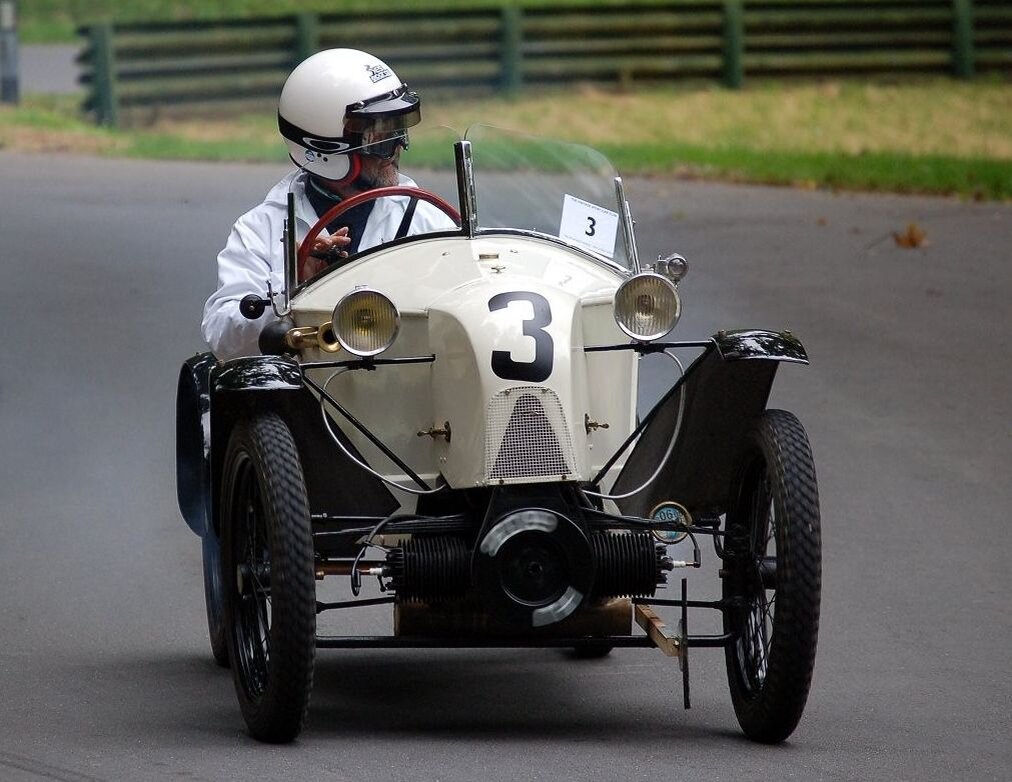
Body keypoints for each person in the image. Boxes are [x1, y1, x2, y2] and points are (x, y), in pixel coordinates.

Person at [201, 48, 456, 360]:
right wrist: (296, 295)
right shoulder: (259, 229)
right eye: (380, 136)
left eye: (398, 130)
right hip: (304, 398)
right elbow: (222, 337)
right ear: (325, 148)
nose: (397, 147)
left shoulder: (430, 222)